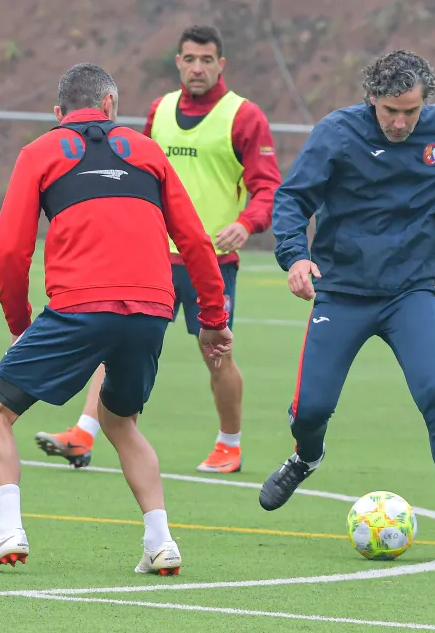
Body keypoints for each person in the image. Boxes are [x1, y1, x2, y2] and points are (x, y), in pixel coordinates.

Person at [0, 63, 233, 574]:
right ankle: (161, 542)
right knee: (120, 421)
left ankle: (9, 531)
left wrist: (20, 323)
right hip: (151, 309)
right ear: (110, 106)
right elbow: (195, 241)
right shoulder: (148, 151)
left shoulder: (40, 152)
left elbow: (10, 247)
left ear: (58, 114)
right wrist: (213, 317)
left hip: (79, 307)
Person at [258, 50, 435, 561]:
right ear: (371, 98)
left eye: (410, 112)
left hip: (409, 292)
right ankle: (307, 456)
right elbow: (291, 199)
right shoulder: (336, 133)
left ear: (425, 104)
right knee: (310, 409)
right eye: (390, 111)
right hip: (342, 292)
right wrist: (295, 257)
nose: (401, 123)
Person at [34, 25, 280, 474]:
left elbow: (266, 186)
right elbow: (131, 169)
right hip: (152, 259)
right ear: (178, 62)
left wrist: (246, 224)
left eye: (207, 60)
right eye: (189, 59)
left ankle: (229, 444)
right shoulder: (159, 110)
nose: (198, 68)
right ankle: (83, 434)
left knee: (216, 351)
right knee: (115, 339)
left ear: (221, 64)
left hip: (211, 260)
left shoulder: (243, 116)